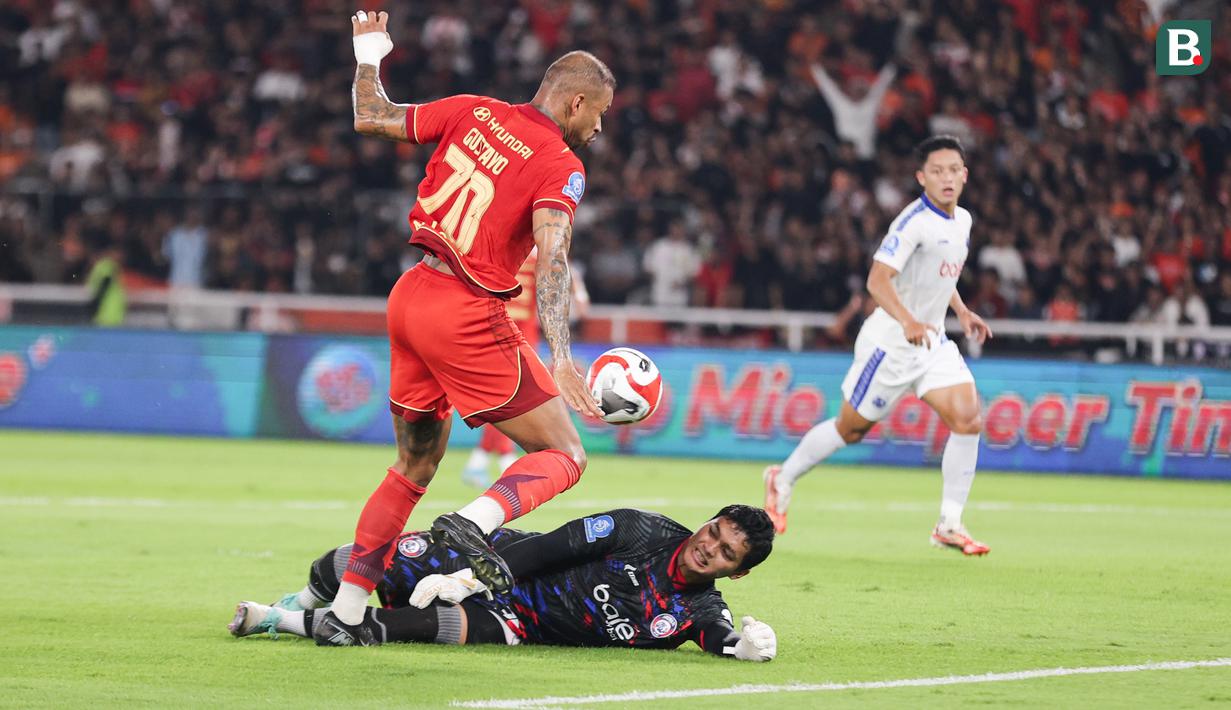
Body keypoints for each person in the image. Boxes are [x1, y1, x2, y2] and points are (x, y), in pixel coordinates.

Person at [324, 10, 610, 644]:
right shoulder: (560, 162)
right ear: (577, 101)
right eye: (600, 114)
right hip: (465, 310)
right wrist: (562, 354)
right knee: (564, 453)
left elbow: (371, 116)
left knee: (414, 465)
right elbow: (554, 254)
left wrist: (370, 53)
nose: (600, 127)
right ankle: (474, 522)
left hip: (409, 296)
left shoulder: (471, 109)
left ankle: (344, 615)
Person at [763, 135, 993, 556]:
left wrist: (960, 310)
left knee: (968, 419)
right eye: (937, 171)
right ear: (921, 177)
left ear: (965, 175)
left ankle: (949, 523)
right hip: (891, 342)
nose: (946, 177)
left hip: (932, 341)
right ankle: (782, 478)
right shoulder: (912, 223)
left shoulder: (963, 221)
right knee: (850, 429)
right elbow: (877, 280)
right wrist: (907, 320)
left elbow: (939, 276)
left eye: (953, 170)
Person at [229, 505, 778, 662]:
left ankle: (277, 620)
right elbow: (546, 548)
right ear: (707, 523)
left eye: (726, 552)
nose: (709, 548)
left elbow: (721, 638)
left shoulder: (698, 611)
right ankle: (301, 601)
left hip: (515, 621)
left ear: (738, 571)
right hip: (498, 558)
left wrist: (748, 648)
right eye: (714, 532)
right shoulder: (638, 530)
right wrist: (468, 575)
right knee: (345, 563)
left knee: (401, 628)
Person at [460, 248, 591, 487]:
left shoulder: (537, 243)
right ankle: (501, 460)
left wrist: (578, 292)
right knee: (506, 396)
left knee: (507, 395)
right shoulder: (515, 241)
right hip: (498, 327)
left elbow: (563, 265)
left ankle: (484, 461)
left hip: (521, 330)